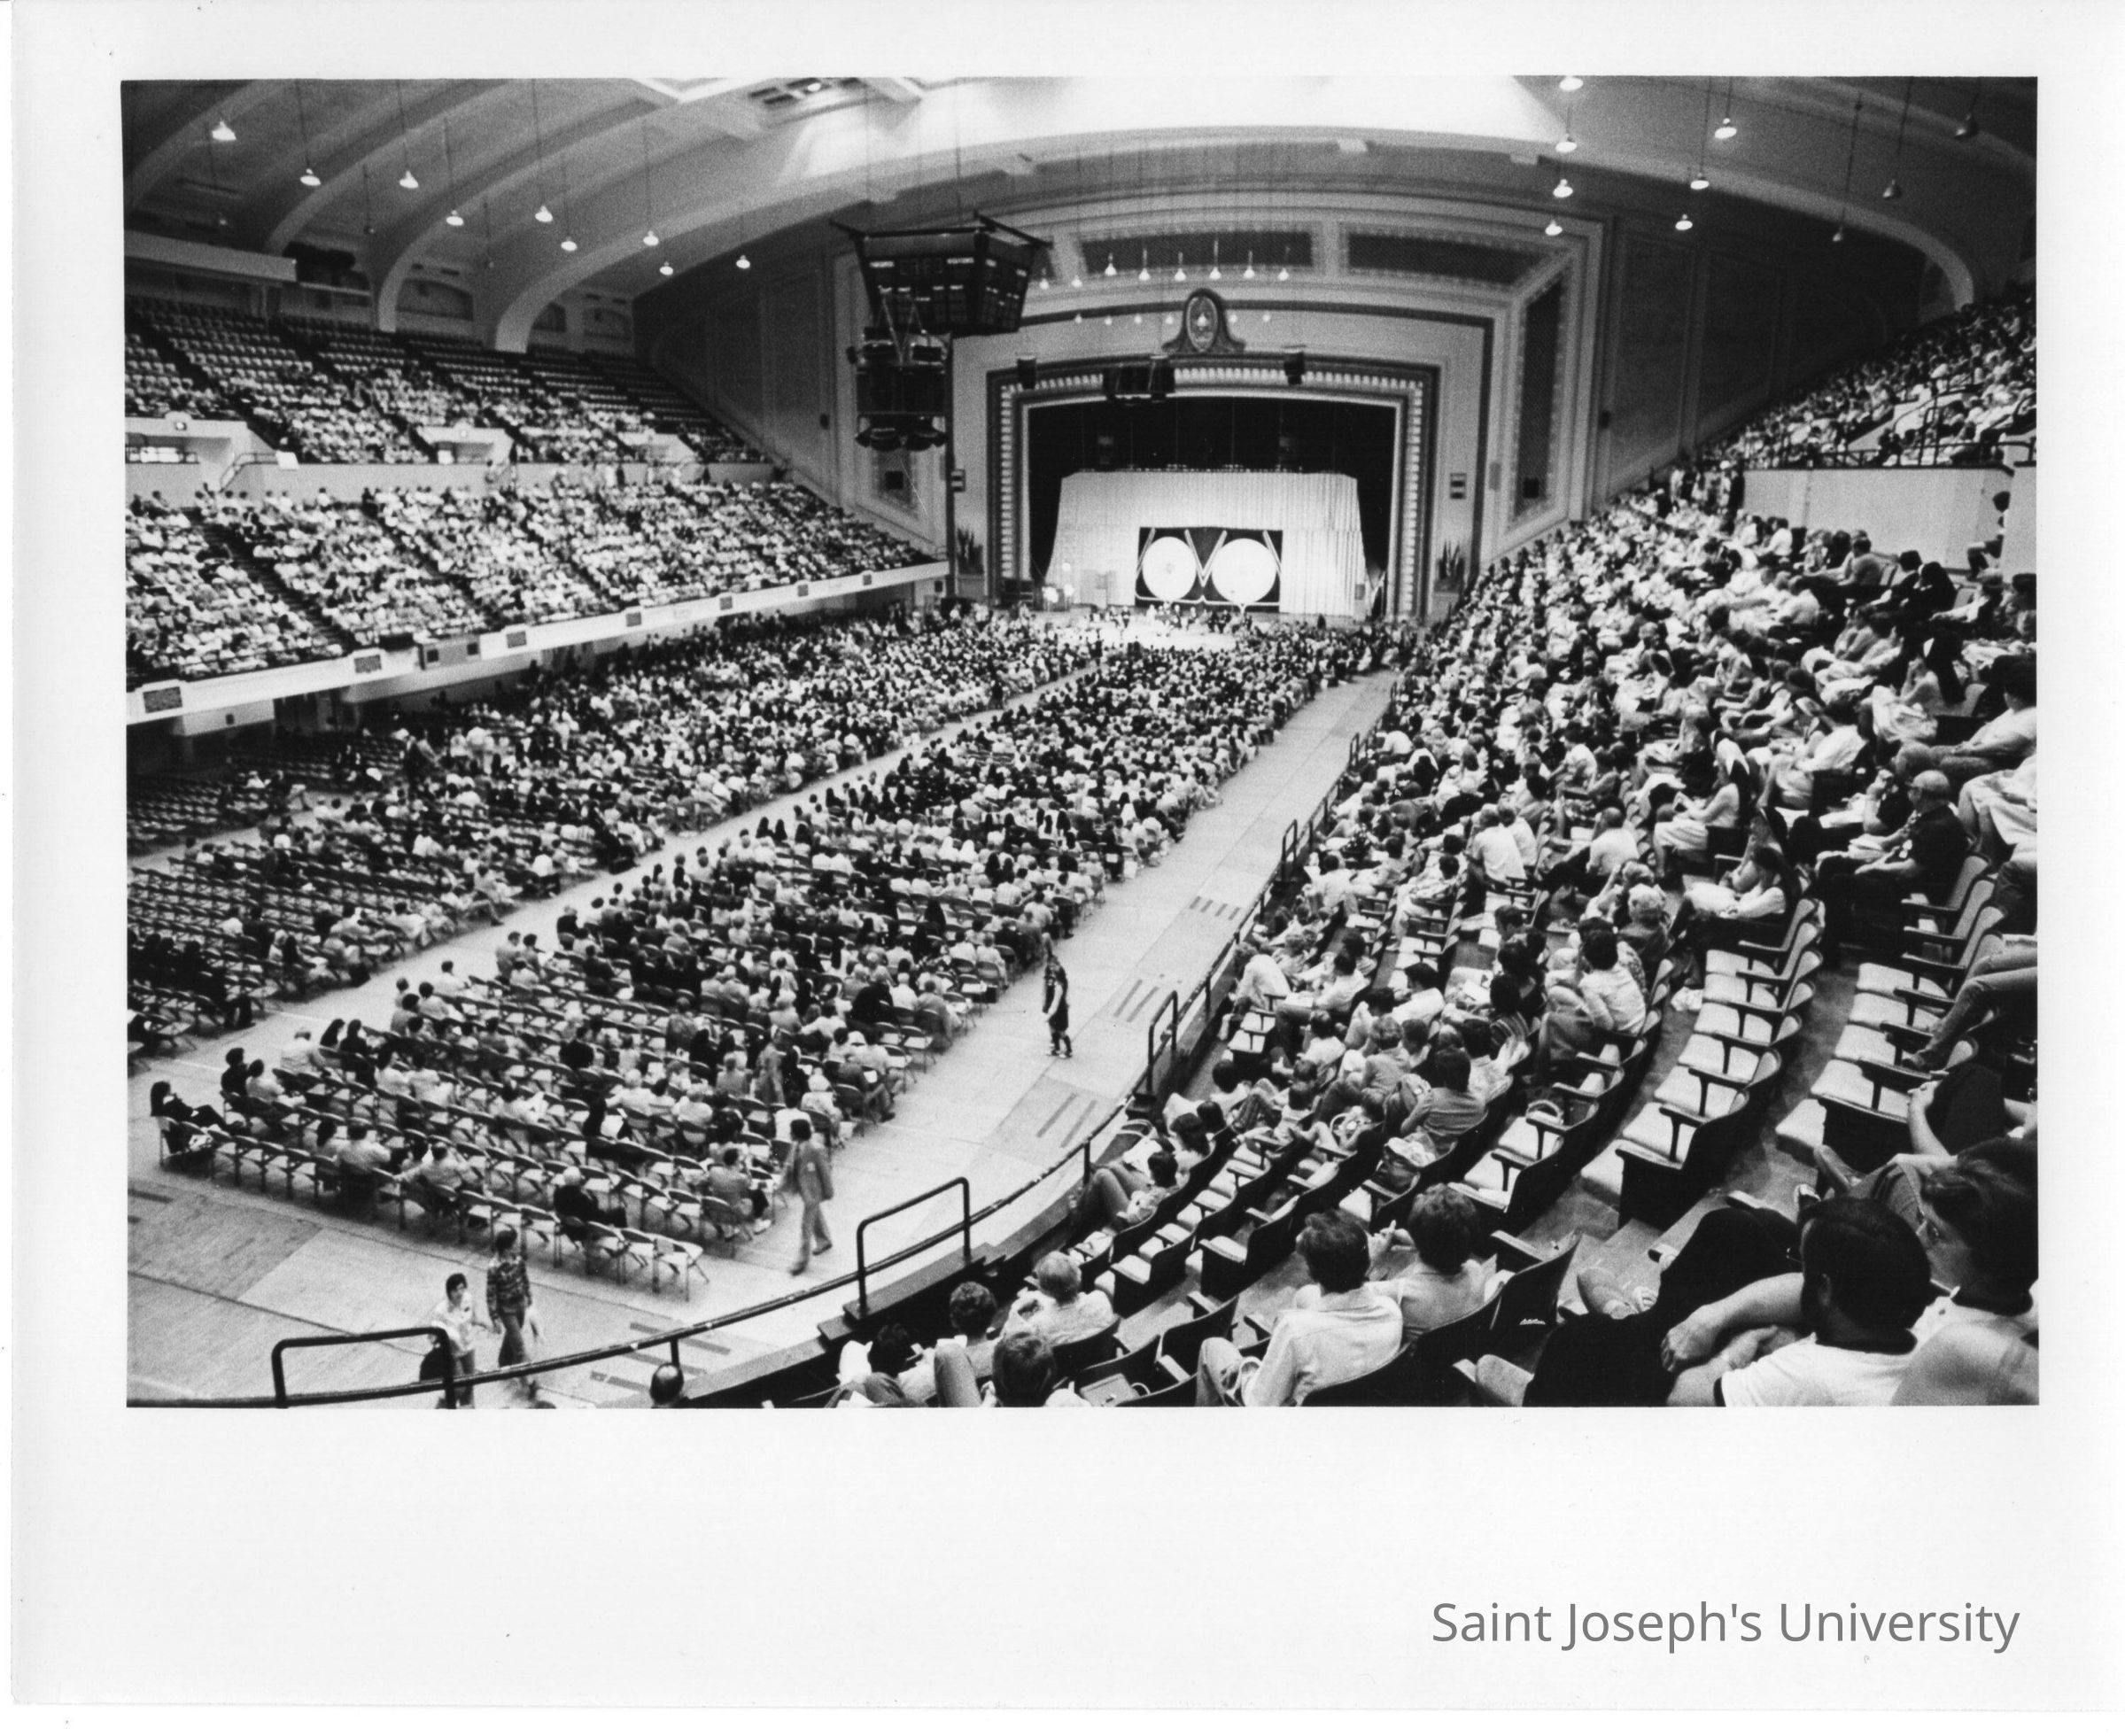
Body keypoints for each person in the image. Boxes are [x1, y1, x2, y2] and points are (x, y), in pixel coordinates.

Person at [1195, 1211, 1403, 1406]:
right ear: (1366, 1263)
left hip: (1294, 1424)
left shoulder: (1295, 1331)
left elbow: (1259, 1404)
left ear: (1312, 1273)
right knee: (1304, 1296)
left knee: (1211, 1346)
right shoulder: (1392, 1311)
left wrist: (1246, 1366)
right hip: (1352, 1410)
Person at [1001, 1252, 1116, 1351]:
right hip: (1102, 1355)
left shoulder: (1039, 1324)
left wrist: (1015, 1311)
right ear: (1079, 1276)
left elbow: (1008, 1339)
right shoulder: (1101, 1298)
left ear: (1045, 1291)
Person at [482, 1226, 539, 1396]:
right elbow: (491, 1294)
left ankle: (504, 1361)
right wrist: (494, 1317)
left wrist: (529, 1297)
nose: (516, 1247)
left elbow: (524, 1278)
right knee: (519, 1346)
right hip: (506, 1309)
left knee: (514, 1335)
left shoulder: (518, 1260)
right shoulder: (494, 1267)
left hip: (520, 1303)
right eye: (513, 1245)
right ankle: (529, 1381)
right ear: (506, 1248)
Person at [782, 1115, 834, 1276]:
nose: (790, 1133)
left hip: (813, 1192)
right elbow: (789, 1165)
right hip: (803, 1190)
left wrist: (828, 1191)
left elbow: (825, 1172)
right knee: (815, 1215)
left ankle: (801, 1262)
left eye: (792, 1131)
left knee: (806, 1227)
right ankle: (824, 1240)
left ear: (797, 1133)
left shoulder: (816, 1149)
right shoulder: (795, 1146)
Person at [428, 1273, 480, 1407]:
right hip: (452, 1354)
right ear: (449, 1292)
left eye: (462, 1288)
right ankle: (442, 1406)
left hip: (468, 1347)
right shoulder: (441, 1310)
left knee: (469, 1385)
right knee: (459, 1387)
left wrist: (486, 1325)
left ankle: (467, 1412)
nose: (459, 1293)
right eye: (455, 1290)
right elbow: (432, 1336)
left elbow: (473, 1318)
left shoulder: (468, 1299)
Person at [1042, 953, 1074, 1058]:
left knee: (1061, 1031)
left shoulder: (1059, 987)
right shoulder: (1055, 982)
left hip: (1059, 1010)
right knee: (1052, 1028)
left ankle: (1069, 1051)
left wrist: (1048, 1015)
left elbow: (1056, 1002)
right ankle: (1057, 1049)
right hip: (1055, 1008)